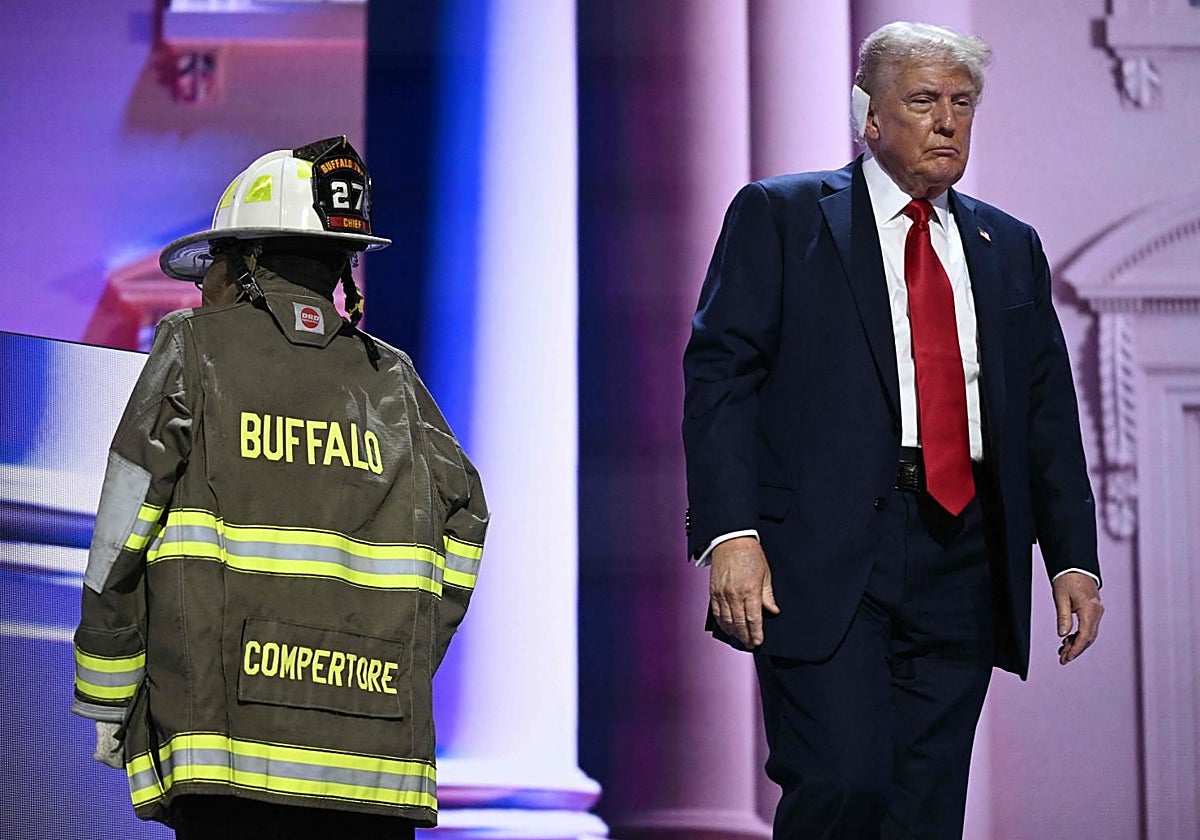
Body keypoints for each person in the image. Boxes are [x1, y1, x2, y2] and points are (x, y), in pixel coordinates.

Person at [682, 22, 1103, 839]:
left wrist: (1073, 557)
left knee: (924, 810)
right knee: (843, 782)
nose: (947, 122)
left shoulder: (1009, 245)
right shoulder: (784, 215)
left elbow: (1046, 413)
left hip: (966, 553)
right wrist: (731, 531)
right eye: (922, 101)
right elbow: (721, 377)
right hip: (827, 552)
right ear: (868, 118)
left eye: (962, 103)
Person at [72, 136, 488, 838]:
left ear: (250, 263)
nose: (202, 289)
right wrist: (392, 655)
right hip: (375, 768)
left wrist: (108, 697)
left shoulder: (192, 348)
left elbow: (120, 534)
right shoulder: (400, 383)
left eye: (214, 267)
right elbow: (467, 522)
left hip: (226, 756)